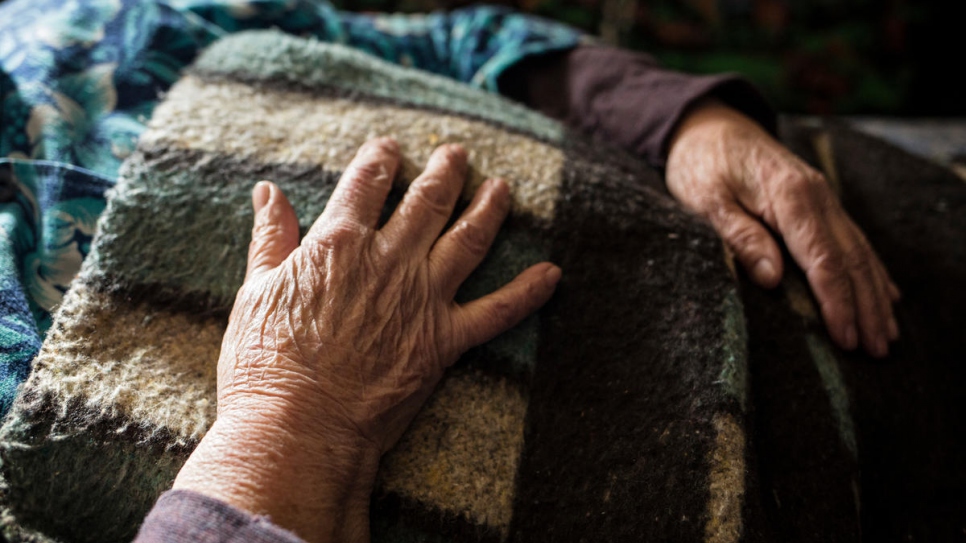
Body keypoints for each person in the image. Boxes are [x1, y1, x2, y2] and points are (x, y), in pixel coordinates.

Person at [0, 0, 899, 540]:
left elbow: (461, 40)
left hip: (861, 253)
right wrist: (295, 418)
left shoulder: (82, 14)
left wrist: (691, 124)